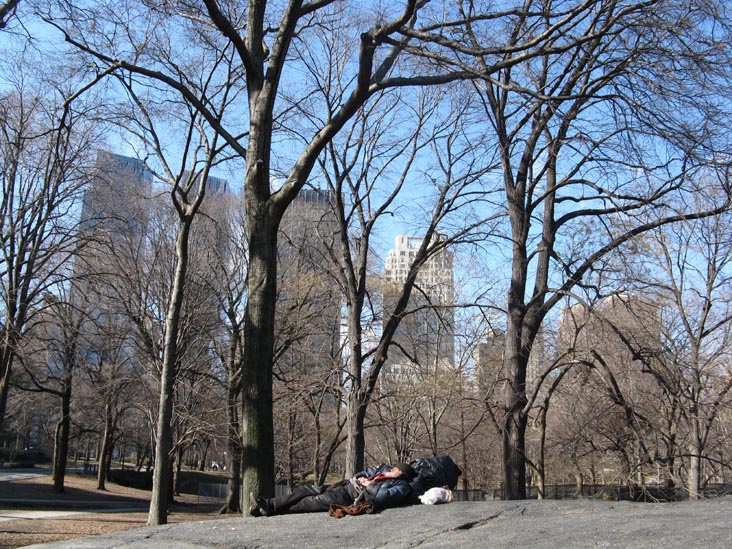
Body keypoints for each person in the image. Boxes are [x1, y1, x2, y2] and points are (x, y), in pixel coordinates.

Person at [249, 463, 416, 517]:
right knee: (306, 489)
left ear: (402, 474)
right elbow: (364, 473)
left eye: (396, 470)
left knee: (309, 503)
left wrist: (368, 485)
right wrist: (361, 477)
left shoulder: (402, 486)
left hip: (350, 496)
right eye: (393, 468)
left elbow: (383, 497)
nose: (392, 469)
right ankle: (269, 504)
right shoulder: (383, 472)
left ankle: (268, 509)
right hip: (345, 485)